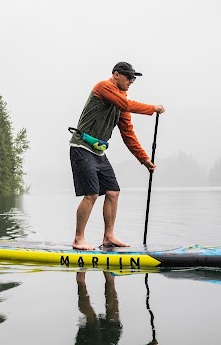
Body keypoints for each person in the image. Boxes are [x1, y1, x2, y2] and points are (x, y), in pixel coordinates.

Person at [69, 62, 165, 250]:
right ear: (116, 75)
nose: (131, 81)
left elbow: (128, 134)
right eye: (129, 77)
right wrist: (152, 108)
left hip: (98, 151)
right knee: (92, 194)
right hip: (81, 147)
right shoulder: (103, 87)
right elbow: (125, 104)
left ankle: (109, 237)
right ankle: (78, 239)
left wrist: (145, 160)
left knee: (113, 192)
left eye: (133, 78)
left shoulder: (122, 104)